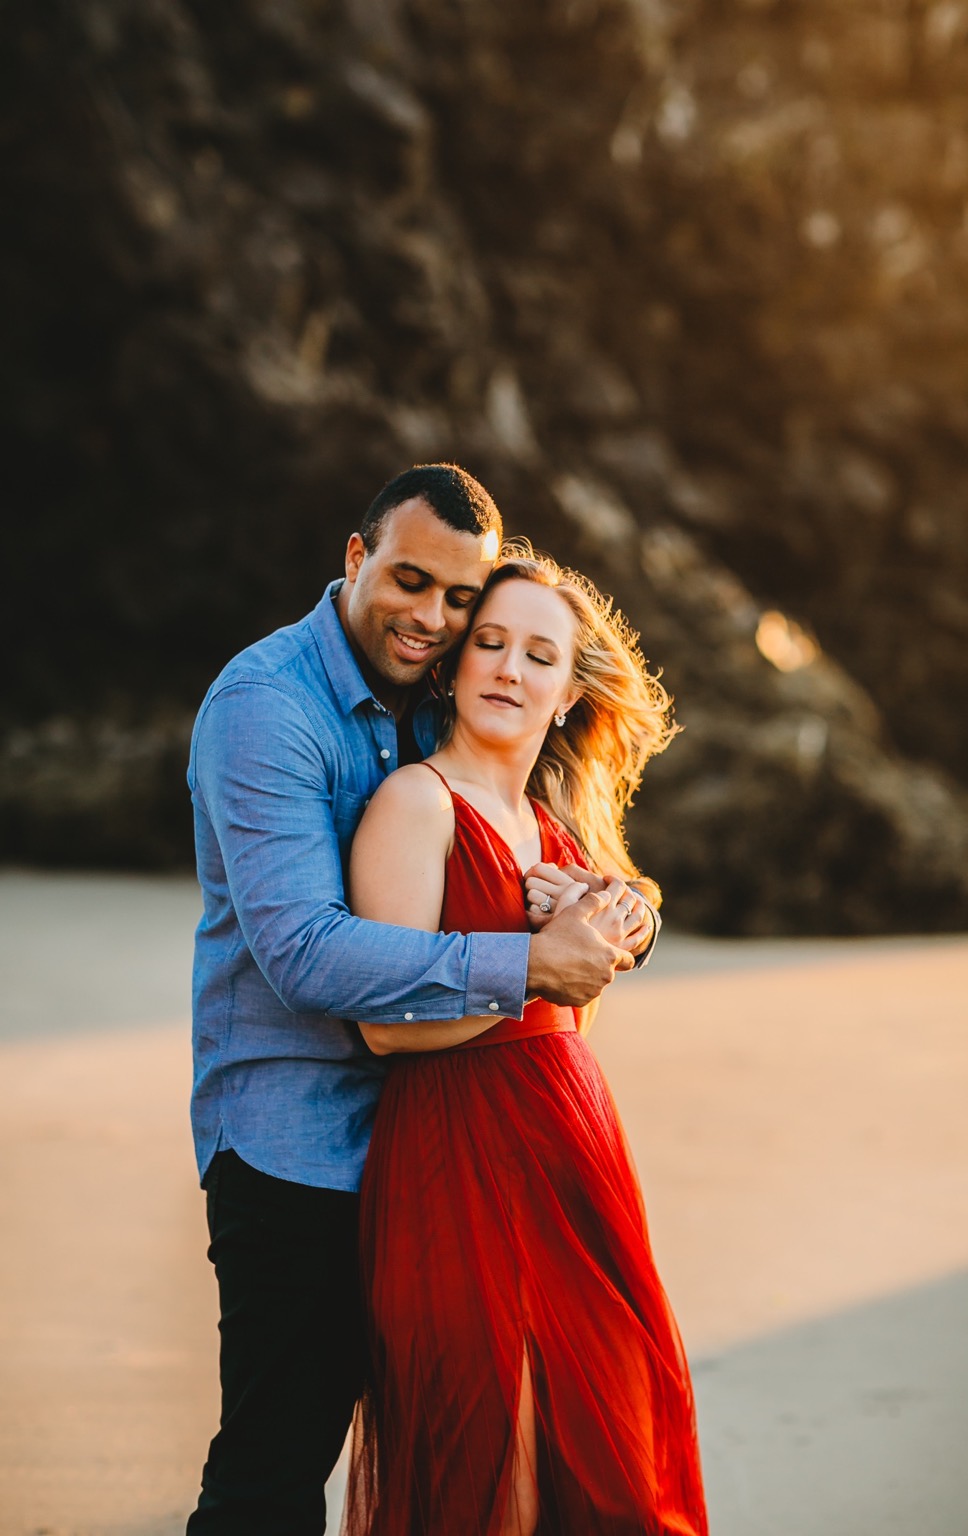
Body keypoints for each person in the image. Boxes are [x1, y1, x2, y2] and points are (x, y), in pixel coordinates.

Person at [185, 465, 656, 1536]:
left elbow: (561, 858)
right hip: (295, 1144)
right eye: (410, 583)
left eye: (459, 601)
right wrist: (531, 966)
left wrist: (618, 914)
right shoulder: (268, 708)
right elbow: (305, 953)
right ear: (354, 560)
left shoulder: (428, 699)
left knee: (488, 1455)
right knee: (272, 1468)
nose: (434, 621)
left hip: (447, 1155)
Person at [343, 552, 708, 1535]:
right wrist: (539, 956)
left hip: (574, 1157)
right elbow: (384, 1023)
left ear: (565, 694)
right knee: (486, 1466)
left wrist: (613, 912)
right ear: (453, 667)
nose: (507, 668)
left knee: (606, 1462)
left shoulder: (551, 828)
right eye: (490, 644)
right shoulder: (416, 805)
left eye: (537, 655)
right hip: (457, 1156)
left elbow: (577, 998)